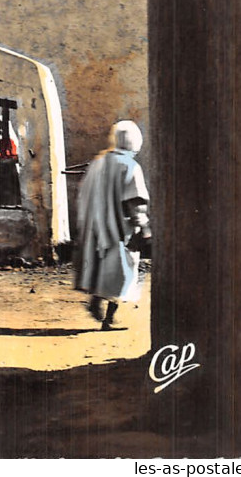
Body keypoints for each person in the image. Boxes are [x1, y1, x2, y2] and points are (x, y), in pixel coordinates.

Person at [74, 119, 151, 331]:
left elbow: (84, 196)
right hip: (120, 231)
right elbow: (136, 203)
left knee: (102, 272)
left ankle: (97, 302)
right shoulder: (131, 167)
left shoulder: (98, 163)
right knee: (122, 274)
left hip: (95, 229)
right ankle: (108, 319)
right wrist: (143, 228)